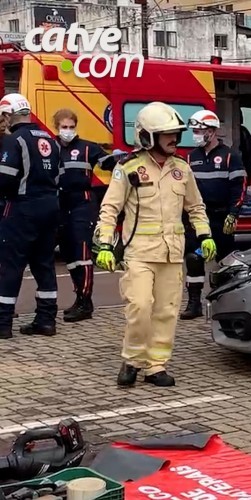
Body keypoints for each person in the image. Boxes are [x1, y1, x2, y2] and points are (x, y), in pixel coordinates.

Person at [94, 101, 215, 387]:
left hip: (172, 253)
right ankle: (132, 360)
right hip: (139, 253)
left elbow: (196, 207)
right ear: (148, 136)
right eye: (167, 133)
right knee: (140, 306)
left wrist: (205, 234)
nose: (175, 138)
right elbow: (109, 208)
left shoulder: (181, 169)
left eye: (176, 132)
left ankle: (156, 366)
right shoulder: (129, 168)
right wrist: (104, 245)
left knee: (166, 310)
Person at [0, 93, 63, 338]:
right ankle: (46, 320)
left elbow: (4, 178)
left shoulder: (14, 140)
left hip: (22, 209)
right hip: (50, 207)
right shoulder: (50, 138)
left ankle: (3, 324)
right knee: (44, 265)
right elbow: (60, 176)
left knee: (11, 266)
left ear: (8, 114)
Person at [53, 109, 121, 323]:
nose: (68, 131)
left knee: (83, 253)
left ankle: (86, 302)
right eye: (64, 127)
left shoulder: (87, 147)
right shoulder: (51, 149)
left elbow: (110, 164)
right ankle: (79, 296)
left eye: (71, 127)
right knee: (69, 255)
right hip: (60, 204)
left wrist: (124, 160)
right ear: (57, 127)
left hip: (82, 202)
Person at [180, 110, 246, 320]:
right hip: (199, 220)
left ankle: (227, 302)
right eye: (195, 131)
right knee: (194, 257)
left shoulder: (229, 156)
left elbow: (240, 187)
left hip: (221, 219)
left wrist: (234, 214)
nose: (196, 134)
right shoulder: (191, 157)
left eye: (199, 130)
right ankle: (194, 302)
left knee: (225, 261)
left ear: (212, 131)